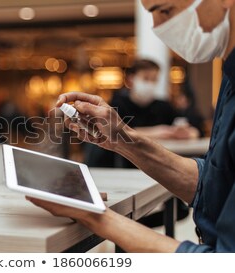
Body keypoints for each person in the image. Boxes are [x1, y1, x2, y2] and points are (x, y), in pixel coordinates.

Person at [28, 0, 235, 252]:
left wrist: (95, 215)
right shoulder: (229, 78)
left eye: (165, 10)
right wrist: (122, 138)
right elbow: (215, 184)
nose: (157, 27)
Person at [86, 59, 199, 169]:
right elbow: (119, 132)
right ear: (131, 79)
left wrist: (184, 132)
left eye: (154, 79)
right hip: (126, 166)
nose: (150, 84)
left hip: (158, 164)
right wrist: (160, 131)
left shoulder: (163, 106)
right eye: (145, 78)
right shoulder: (118, 103)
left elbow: (195, 131)